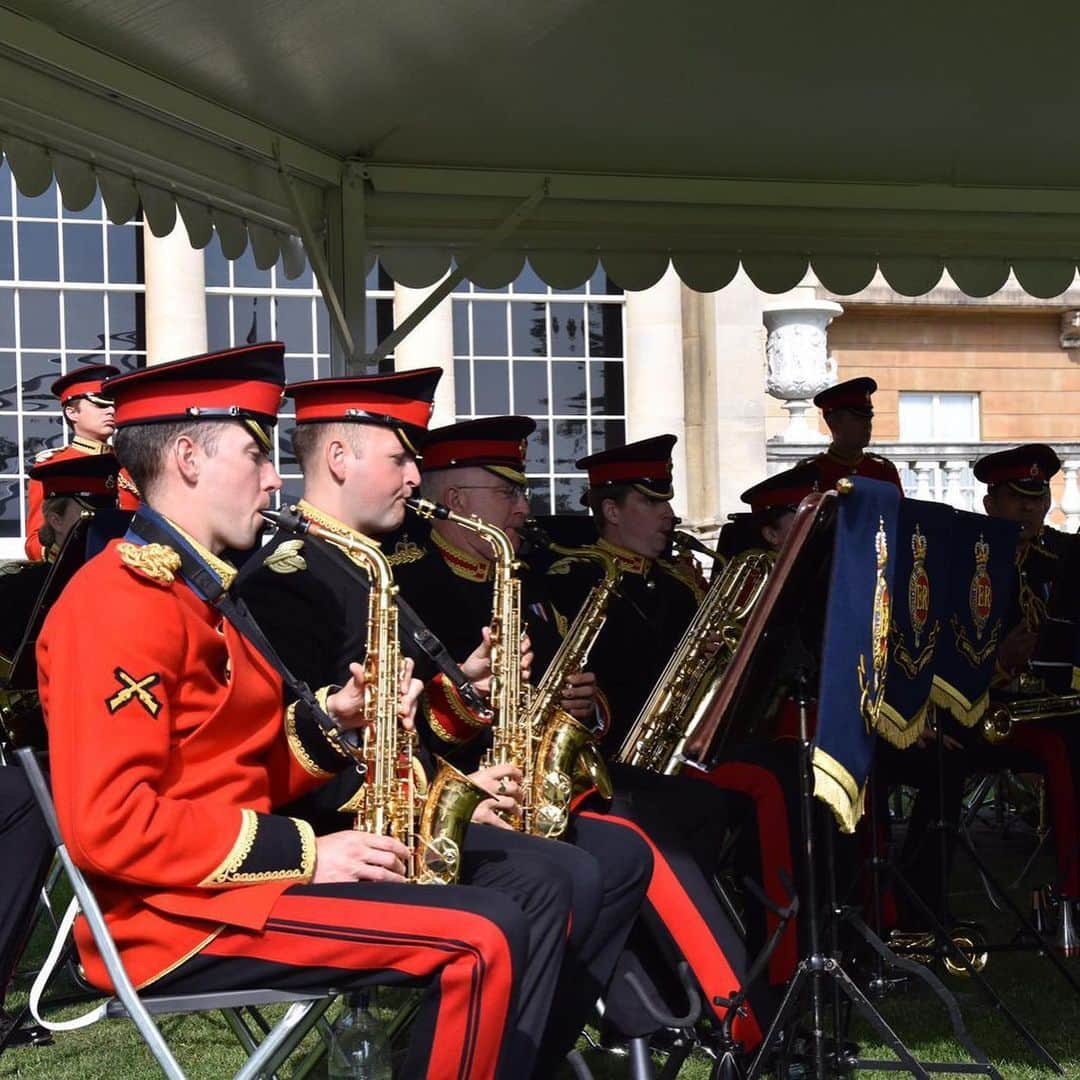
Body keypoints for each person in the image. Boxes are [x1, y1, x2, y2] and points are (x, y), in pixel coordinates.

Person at [37, 344, 559, 1079]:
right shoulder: (118, 603)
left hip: (228, 890)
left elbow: (231, 768)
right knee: (482, 932)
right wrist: (313, 853)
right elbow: (111, 825)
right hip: (174, 922)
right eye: (253, 455)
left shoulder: (198, 592)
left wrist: (337, 720)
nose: (274, 477)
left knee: (527, 887)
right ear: (187, 457)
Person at [237, 396, 649, 1077]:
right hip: (333, 830)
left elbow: (403, 723)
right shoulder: (291, 578)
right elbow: (306, 748)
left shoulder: (363, 566)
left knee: (618, 857)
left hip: (400, 809)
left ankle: (521, 1054)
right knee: (558, 874)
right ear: (340, 459)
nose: (412, 477)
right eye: (401, 459)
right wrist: (449, 798)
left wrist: (464, 692)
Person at [398, 424, 775, 1055]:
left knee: (687, 810)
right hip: (477, 784)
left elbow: (581, 684)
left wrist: (586, 706)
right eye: (508, 494)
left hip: (549, 771)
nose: (525, 508)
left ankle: (662, 995)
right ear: (459, 501)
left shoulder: (523, 577)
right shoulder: (415, 582)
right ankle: (711, 1010)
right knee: (639, 827)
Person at [974, 444, 1080, 920]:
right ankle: (1073, 891)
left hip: (1057, 700)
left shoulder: (1067, 555)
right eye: (1018, 499)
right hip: (985, 708)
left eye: (1037, 499)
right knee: (1068, 745)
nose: (1030, 509)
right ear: (989, 504)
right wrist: (999, 662)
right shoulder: (967, 561)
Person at [24, 365, 139, 561]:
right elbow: (35, 542)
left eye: (113, 404)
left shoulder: (131, 463)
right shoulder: (52, 468)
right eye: (101, 405)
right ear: (72, 413)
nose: (111, 410)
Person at [803, 377, 903, 493]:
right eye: (858, 419)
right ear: (833, 422)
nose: (867, 426)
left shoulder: (884, 471)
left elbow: (901, 509)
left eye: (868, 419)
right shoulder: (810, 473)